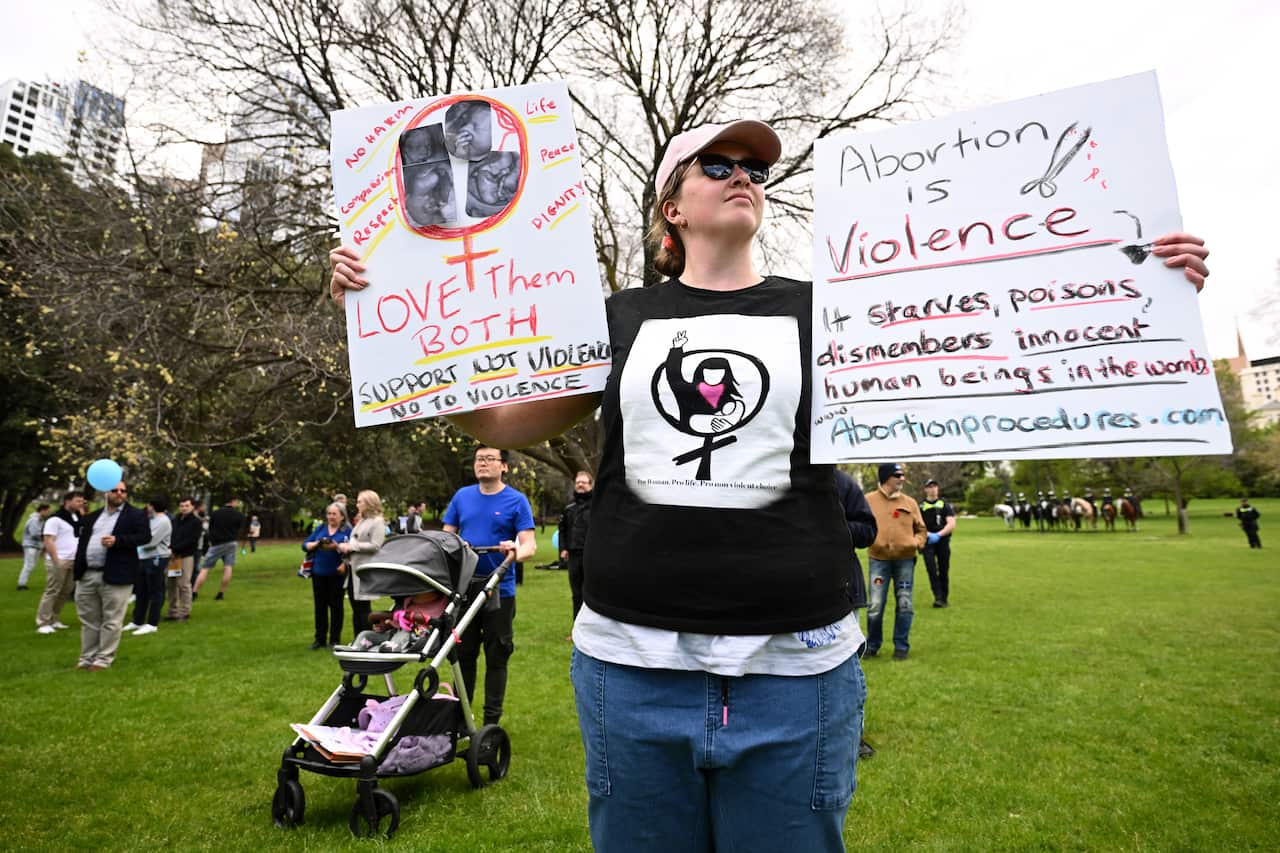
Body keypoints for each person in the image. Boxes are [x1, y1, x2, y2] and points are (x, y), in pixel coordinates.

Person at [330, 118, 1210, 851]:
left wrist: (1138, 273)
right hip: (633, 671)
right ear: (672, 205)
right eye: (718, 164)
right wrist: (388, 327)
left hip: (798, 670)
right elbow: (502, 421)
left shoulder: (829, 310)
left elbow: (983, 330)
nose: (743, 175)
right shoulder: (617, 319)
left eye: (754, 168)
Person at [442, 446, 536, 726]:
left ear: (504, 466)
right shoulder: (462, 497)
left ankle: (490, 724)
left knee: (497, 657)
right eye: (478, 459)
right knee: (464, 657)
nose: (482, 464)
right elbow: (446, 539)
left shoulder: (516, 501)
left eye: (489, 459)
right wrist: (457, 546)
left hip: (499, 591)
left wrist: (514, 549)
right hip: (465, 590)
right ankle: (461, 721)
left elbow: (529, 544)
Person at [73, 481, 150, 671]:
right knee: (89, 620)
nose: (119, 494)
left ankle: (103, 659)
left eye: (123, 491)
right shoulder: (93, 517)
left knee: (112, 620)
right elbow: (79, 536)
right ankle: (86, 658)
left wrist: (118, 541)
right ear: (106, 492)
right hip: (88, 573)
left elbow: (144, 537)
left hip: (117, 574)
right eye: (115, 490)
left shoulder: (135, 515)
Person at [834, 468, 877, 759]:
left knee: (848, 669)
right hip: (788, 595)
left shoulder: (841, 483)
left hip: (841, 591)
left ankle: (854, 735)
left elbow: (868, 531)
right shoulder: (774, 474)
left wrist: (830, 526)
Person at [865, 463, 928, 660]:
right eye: (897, 475)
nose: (902, 478)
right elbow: (859, 524)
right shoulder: (868, 500)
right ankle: (873, 645)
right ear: (886, 478)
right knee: (875, 605)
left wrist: (915, 543)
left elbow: (922, 529)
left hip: (905, 562)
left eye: (902, 475)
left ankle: (901, 646)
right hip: (878, 561)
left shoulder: (910, 502)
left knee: (905, 603)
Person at [301, 502, 352, 649]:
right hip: (319, 572)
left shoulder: (347, 531)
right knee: (320, 606)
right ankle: (320, 638)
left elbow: (352, 549)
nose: (331, 517)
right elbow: (305, 545)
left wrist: (336, 546)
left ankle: (335, 639)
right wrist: (317, 544)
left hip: (336, 573)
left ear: (342, 516)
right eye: (329, 514)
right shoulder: (321, 529)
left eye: (334, 514)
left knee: (336, 606)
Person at [338, 489, 388, 637]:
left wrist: (352, 547)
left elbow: (376, 545)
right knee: (356, 607)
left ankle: (367, 638)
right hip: (353, 570)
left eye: (360, 501)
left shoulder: (378, 522)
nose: (357, 504)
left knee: (363, 608)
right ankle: (357, 638)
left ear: (369, 503)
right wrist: (346, 547)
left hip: (365, 571)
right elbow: (355, 539)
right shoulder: (361, 521)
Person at [35, 491, 84, 634]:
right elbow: (48, 540)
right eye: (77, 501)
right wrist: (56, 560)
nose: (80, 504)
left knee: (65, 591)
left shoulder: (76, 517)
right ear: (67, 502)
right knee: (52, 591)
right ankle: (43, 622)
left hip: (73, 560)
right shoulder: (54, 519)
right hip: (59, 560)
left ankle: (54, 619)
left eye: (82, 501)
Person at [123, 497, 172, 636]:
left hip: (156, 559)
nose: (146, 508)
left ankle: (152, 623)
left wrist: (132, 543)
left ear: (152, 506)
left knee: (155, 591)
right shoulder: (152, 519)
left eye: (148, 505)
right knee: (141, 591)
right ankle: (137, 620)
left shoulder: (163, 521)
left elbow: (150, 540)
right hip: (144, 558)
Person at [558, 470, 594, 626]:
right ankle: (577, 627)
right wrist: (563, 548)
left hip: (592, 555)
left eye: (584, 482)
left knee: (592, 593)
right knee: (576, 594)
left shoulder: (598, 506)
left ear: (591, 486)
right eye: (578, 482)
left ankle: (593, 627)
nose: (580, 485)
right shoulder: (569, 509)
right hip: (574, 555)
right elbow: (563, 530)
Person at [193, 496, 244, 602]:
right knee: (228, 567)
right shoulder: (239, 515)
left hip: (217, 544)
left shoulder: (215, 513)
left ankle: (194, 592)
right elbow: (239, 529)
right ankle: (221, 593)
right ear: (233, 502)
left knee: (205, 568)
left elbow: (210, 528)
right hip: (231, 543)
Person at [919, 478, 957, 608]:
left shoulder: (944, 504)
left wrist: (939, 535)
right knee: (931, 569)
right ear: (926, 489)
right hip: (927, 541)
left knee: (943, 569)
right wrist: (927, 534)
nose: (932, 489)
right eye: (930, 486)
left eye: (935, 486)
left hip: (942, 541)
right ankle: (938, 597)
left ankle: (944, 598)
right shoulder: (921, 506)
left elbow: (951, 523)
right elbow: (916, 524)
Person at [165, 497, 200, 621]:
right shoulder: (175, 520)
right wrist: (170, 549)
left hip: (185, 556)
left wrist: (175, 549)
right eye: (182, 506)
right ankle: (172, 611)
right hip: (173, 556)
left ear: (192, 507)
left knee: (184, 584)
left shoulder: (195, 522)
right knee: (171, 584)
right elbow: (170, 536)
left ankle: (185, 612)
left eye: (186, 505)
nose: (184, 508)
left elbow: (191, 540)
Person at [19, 503, 51, 590]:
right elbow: (34, 533)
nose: (48, 513)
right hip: (30, 545)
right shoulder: (34, 520)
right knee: (28, 565)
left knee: (31, 565)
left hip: (36, 546)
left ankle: (22, 583)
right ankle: (21, 584)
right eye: (47, 511)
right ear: (42, 510)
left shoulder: (40, 520)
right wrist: (47, 537)